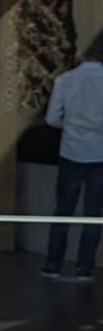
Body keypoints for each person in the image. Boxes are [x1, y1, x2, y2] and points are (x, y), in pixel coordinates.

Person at [42, 32, 103, 281]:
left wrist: (71, 127)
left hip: (71, 151)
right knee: (94, 213)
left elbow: (51, 118)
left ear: (80, 53)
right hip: (100, 154)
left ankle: (53, 265)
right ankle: (84, 268)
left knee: (63, 210)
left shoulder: (66, 80)